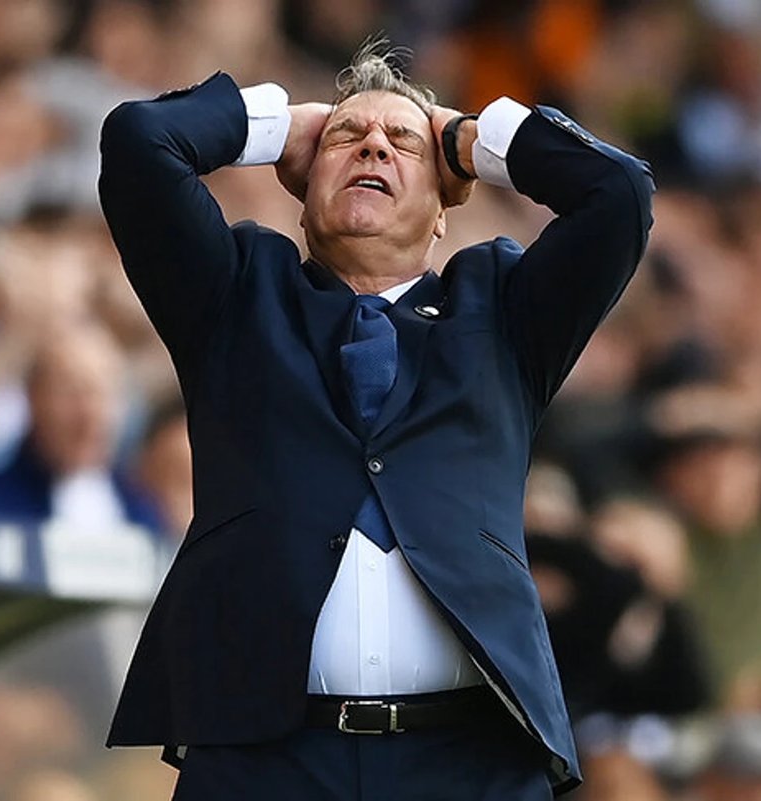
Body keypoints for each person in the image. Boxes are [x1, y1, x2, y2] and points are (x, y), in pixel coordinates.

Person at [98, 40, 653, 799]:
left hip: (472, 760)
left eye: (403, 145)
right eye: (346, 140)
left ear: (441, 212)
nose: (373, 148)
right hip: (265, 760)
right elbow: (139, 142)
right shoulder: (233, 294)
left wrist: (467, 136)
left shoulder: (506, 309)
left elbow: (619, 193)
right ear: (301, 185)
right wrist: (282, 123)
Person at [0, 324, 160, 532]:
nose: (91, 414)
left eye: (104, 394)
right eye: (72, 393)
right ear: (33, 398)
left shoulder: (144, 514)